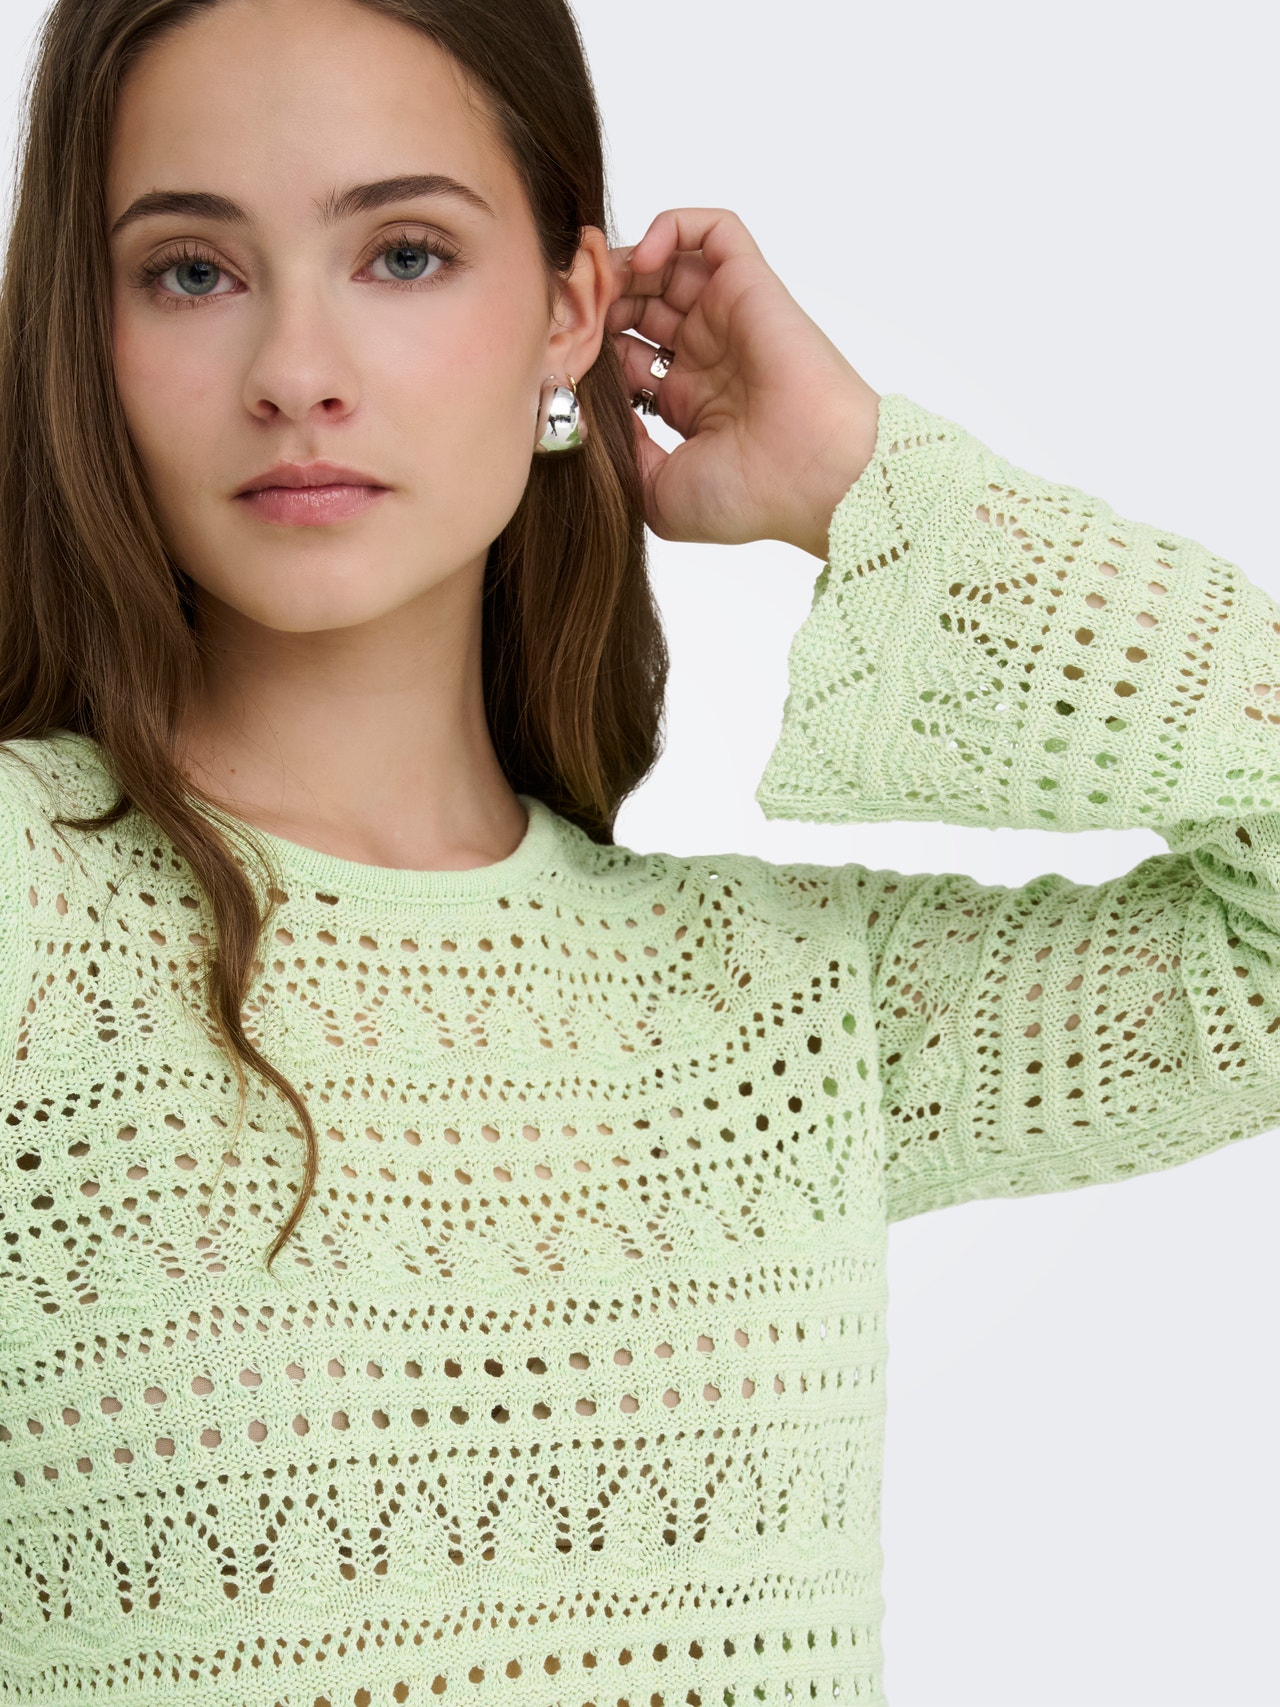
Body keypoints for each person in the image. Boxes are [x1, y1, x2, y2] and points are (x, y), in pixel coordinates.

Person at [0, 0, 1273, 1703]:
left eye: (402, 254)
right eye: (191, 272)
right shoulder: (28, 908)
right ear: (84, 333)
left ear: (570, 310)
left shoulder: (798, 1014)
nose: (296, 369)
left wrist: (860, 480)